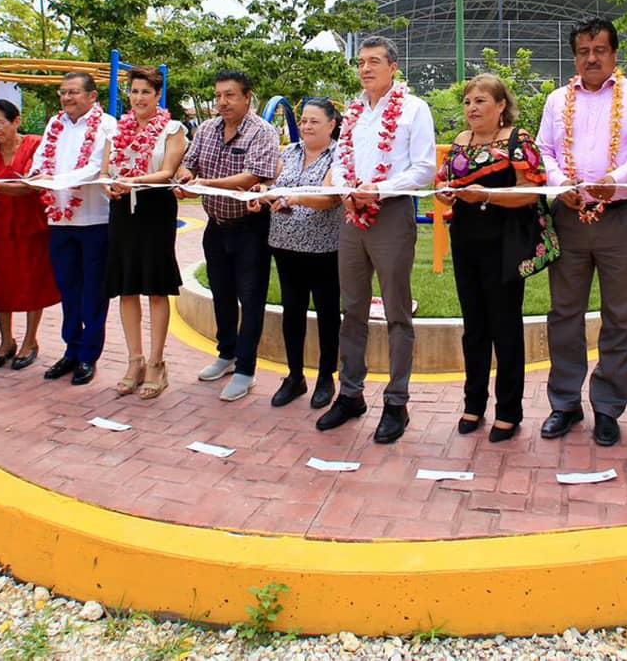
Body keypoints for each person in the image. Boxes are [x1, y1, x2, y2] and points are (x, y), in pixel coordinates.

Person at [535, 17, 627, 447]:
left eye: (600, 51)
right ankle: (565, 403)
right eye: (584, 51)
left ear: (614, 55)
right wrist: (560, 186)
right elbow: (543, 151)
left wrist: (617, 178)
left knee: (621, 316)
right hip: (568, 217)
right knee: (564, 313)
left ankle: (608, 407)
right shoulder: (558, 100)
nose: (592, 58)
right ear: (575, 56)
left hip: (621, 217)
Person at [317, 35, 437, 444]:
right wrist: (350, 188)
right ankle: (350, 394)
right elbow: (339, 158)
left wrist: (379, 190)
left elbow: (425, 168)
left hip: (391, 214)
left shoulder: (413, 110)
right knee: (351, 308)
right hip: (352, 215)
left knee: (396, 312)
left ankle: (396, 402)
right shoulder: (353, 114)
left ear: (393, 68)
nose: (365, 69)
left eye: (374, 62)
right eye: (361, 62)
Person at [434, 75, 546, 443]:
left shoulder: (518, 139)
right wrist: (447, 195)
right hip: (466, 242)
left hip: (505, 243)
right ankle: (474, 403)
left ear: (501, 106)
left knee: (505, 326)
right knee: (475, 327)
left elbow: (530, 193)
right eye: (468, 102)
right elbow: (442, 185)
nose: (472, 108)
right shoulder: (461, 143)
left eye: (481, 101)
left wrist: (487, 196)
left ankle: (509, 410)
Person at [174, 70, 280, 403]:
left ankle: (246, 370)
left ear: (248, 97)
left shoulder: (263, 132)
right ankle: (227, 355)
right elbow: (188, 164)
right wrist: (186, 177)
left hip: (251, 230)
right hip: (216, 226)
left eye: (230, 95)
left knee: (251, 300)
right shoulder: (205, 130)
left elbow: (253, 177)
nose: (222, 102)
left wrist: (205, 184)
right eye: (219, 95)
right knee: (221, 295)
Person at [251, 98, 343, 410]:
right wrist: (261, 197)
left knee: (328, 313)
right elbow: (271, 185)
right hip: (285, 246)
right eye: (303, 120)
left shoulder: (340, 156)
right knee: (293, 312)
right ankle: (294, 376)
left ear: (331, 125)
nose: (305, 126)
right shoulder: (287, 152)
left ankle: (326, 377)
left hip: (324, 249)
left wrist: (295, 198)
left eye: (314, 121)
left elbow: (330, 198)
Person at [105, 67, 187, 399]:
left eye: (145, 92)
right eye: (134, 91)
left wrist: (134, 181)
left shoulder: (172, 129)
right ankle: (133, 360)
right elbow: (105, 169)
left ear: (158, 95)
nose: (138, 98)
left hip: (155, 210)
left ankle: (156, 363)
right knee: (127, 287)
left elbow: (167, 171)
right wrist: (111, 186)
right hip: (122, 209)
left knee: (155, 286)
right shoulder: (117, 129)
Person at [30, 71, 117, 387]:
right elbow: (41, 160)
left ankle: (88, 356)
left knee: (93, 291)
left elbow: (97, 167)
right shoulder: (55, 125)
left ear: (93, 96)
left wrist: (56, 181)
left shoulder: (107, 125)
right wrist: (37, 176)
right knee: (68, 289)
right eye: (63, 92)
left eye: (73, 92)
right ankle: (71, 348)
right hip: (59, 220)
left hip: (94, 220)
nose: (67, 98)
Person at [0, 99, 59, 371]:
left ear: (16, 121)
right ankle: (5, 340)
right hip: (2, 226)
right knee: (3, 282)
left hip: (32, 223)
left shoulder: (35, 145)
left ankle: (30, 341)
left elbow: (32, 186)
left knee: (34, 280)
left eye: (0, 123)